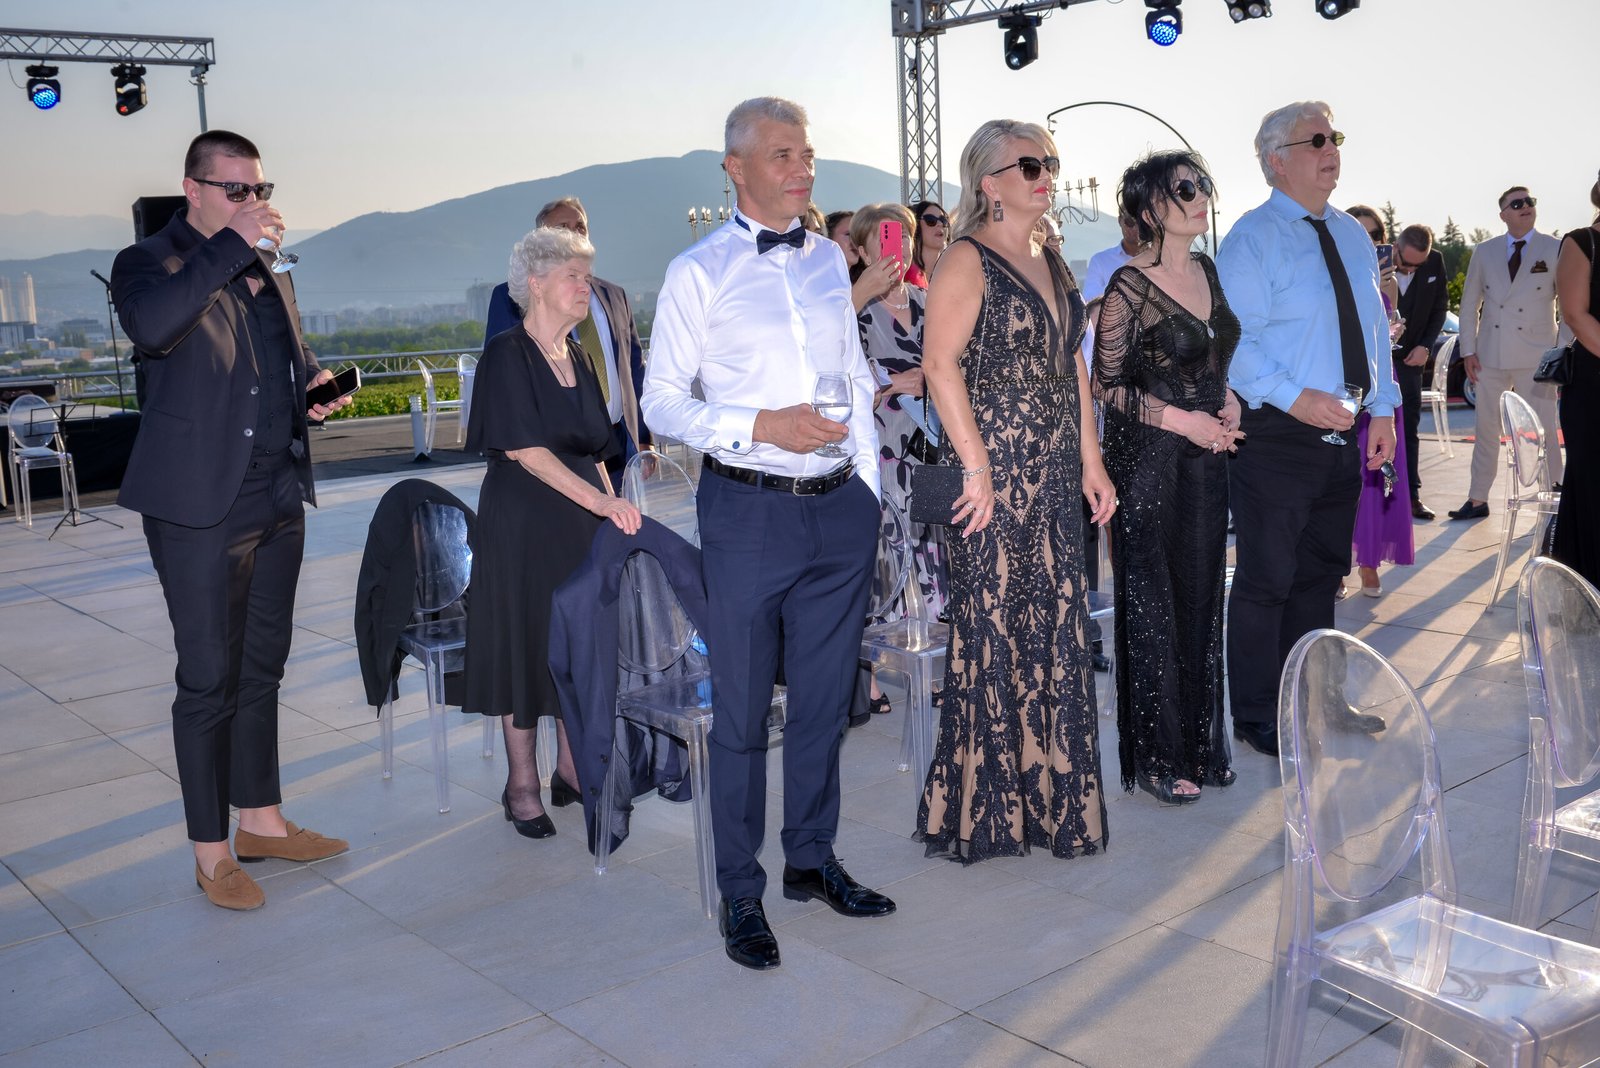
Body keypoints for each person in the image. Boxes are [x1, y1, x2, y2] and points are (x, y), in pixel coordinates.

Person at [642, 97, 894, 972]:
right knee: (744, 714)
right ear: (736, 168)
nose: (803, 168)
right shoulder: (696, 271)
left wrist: (867, 491)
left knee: (824, 705)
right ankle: (740, 891)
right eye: (783, 153)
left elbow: (853, 377)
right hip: (747, 513)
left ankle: (811, 861)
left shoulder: (827, 257)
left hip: (838, 510)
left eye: (808, 153)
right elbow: (661, 402)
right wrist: (760, 425)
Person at [111, 130, 351, 911]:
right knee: (208, 678)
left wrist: (313, 380)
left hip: (277, 493)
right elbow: (156, 329)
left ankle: (262, 822)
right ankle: (210, 853)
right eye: (236, 189)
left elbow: (285, 354)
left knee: (262, 668)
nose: (254, 202)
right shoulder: (148, 263)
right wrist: (232, 246)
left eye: (260, 189)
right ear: (194, 190)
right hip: (198, 507)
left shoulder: (267, 265)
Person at [917, 119, 1115, 862]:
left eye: (1050, 162)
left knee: (1057, 629)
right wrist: (976, 469)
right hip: (992, 474)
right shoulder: (965, 258)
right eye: (1029, 164)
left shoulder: (1051, 257)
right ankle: (990, 811)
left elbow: (1073, 367)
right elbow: (939, 365)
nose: (1046, 175)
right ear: (988, 182)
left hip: (1054, 471)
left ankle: (1051, 802)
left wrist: (1092, 461)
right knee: (994, 631)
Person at [1216, 101, 1399, 759]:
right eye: (1315, 140)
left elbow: (1374, 333)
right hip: (1276, 433)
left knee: (1323, 572)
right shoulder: (1252, 239)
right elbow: (1232, 343)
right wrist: (1296, 400)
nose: (1331, 149)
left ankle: (1321, 698)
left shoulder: (1351, 233)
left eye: (1333, 137)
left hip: (1345, 429)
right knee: (1268, 577)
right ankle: (1258, 714)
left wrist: (1384, 408)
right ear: (1276, 160)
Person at [464, 227, 641, 840]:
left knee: (575, 645)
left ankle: (569, 767)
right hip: (524, 523)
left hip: (579, 519)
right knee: (525, 647)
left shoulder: (580, 356)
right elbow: (525, 450)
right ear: (536, 284)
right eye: (573, 276)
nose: (585, 287)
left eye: (587, 276)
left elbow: (594, 449)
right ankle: (521, 785)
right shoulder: (507, 353)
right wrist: (598, 500)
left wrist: (612, 510)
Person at [1093, 151, 1242, 805]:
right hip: (1149, 462)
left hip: (1206, 459)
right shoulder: (1129, 285)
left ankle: (1199, 748)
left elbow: (1213, 358)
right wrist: (1184, 421)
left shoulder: (1207, 269)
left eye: (1202, 184)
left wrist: (1228, 400)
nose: (1200, 195)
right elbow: (1107, 387)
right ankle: (1159, 757)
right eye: (1185, 188)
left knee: (1202, 599)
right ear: (1152, 208)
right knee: (1154, 605)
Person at [481, 198, 650, 489]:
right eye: (563, 227)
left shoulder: (614, 296)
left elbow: (635, 370)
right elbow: (504, 397)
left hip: (617, 446)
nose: (574, 233)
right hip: (553, 460)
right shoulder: (510, 300)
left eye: (580, 226)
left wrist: (644, 437)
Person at [852, 202, 948, 706]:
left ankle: (930, 666)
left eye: (906, 236)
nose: (901, 246)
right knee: (888, 553)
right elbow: (846, 388)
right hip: (883, 449)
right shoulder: (854, 312)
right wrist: (896, 383)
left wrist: (926, 378)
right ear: (864, 250)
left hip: (931, 445)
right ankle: (870, 671)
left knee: (932, 550)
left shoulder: (930, 302)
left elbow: (955, 365)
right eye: (887, 237)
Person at [1451, 186, 1564, 519]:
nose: (1525, 206)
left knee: (1545, 429)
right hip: (1491, 354)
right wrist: (1468, 351)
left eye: (1529, 201)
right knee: (1487, 429)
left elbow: (1569, 303)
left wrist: (1561, 352)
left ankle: (1555, 493)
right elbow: (1469, 305)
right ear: (1503, 214)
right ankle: (1477, 499)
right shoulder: (1485, 251)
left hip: (1538, 357)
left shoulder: (1555, 247)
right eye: (1517, 203)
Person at [1341, 205, 1415, 598]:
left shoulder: (1388, 283)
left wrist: (1392, 327)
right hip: (1343, 386)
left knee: (1375, 474)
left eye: (1375, 235)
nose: (1369, 241)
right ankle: (1336, 567)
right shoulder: (1332, 273)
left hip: (1382, 388)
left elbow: (1386, 331)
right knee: (1342, 478)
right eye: (1361, 232)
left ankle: (1369, 562)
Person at [1550, 172, 1600, 586]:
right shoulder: (1581, 242)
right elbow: (1575, 315)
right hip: (1592, 386)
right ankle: (1585, 590)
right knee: (1592, 486)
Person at [1389, 223, 1450, 520]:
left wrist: (1426, 346)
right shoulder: (1376, 259)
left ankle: (1411, 496)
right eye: (1407, 264)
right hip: (1378, 361)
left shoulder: (1435, 261)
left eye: (1418, 265)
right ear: (1396, 248)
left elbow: (1440, 308)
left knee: (1408, 430)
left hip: (1411, 362)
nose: (1412, 270)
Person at [1082, 212, 1145, 304]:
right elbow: (1089, 298)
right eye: (1130, 222)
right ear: (1120, 221)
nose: (1136, 227)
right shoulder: (1100, 261)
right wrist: (1120, 286)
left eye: (1141, 222)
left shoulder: (1160, 258)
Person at [907, 199, 948, 287]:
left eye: (943, 220)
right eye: (931, 220)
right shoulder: (900, 277)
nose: (940, 224)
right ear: (915, 226)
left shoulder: (954, 273)